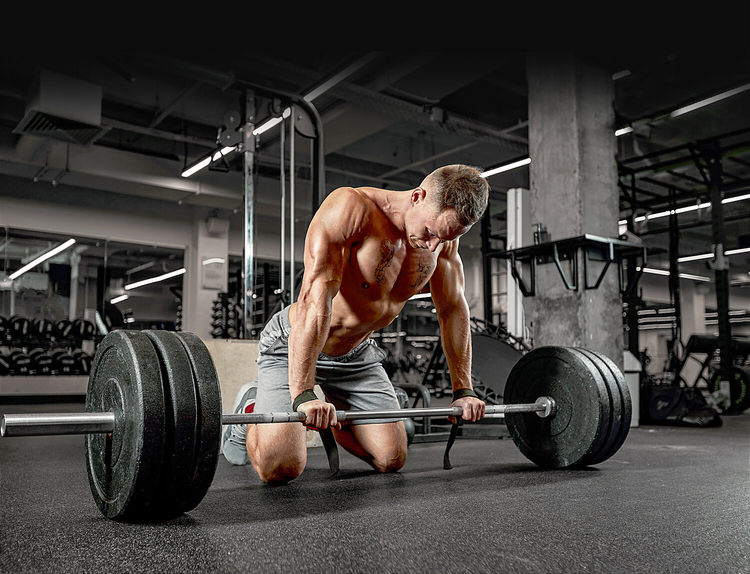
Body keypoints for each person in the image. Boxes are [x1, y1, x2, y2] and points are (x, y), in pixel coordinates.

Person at [222, 164, 490, 484]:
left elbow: (453, 310)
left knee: (391, 459)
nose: (433, 246)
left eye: (448, 237)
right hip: (296, 342)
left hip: (356, 355)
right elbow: (315, 297)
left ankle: (332, 407)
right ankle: (253, 408)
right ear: (418, 196)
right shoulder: (353, 210)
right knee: (281, 469)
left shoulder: (442, 240)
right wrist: (304, 392)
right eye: (432, 232)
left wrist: (463, 388)